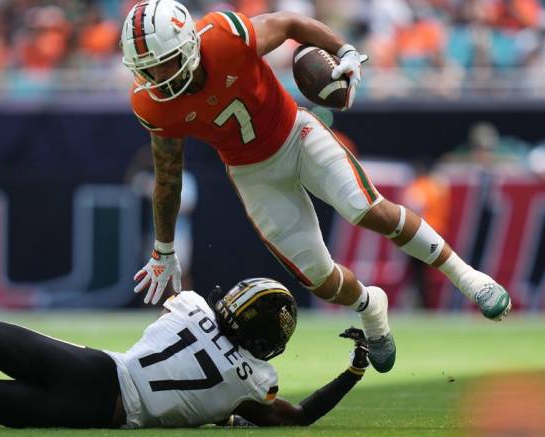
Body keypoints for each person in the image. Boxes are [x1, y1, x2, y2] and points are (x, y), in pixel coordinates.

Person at [122, 0, 511, 374]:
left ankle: (470, 279)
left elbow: (290, 23)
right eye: (148, 69)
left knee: (367, 208)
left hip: (296, 134)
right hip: (252, 172)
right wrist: (164, 249)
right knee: (319, 279)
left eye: (164, 62)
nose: (158, 76)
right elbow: (168, 174)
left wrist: (344, 49)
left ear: (189, 42)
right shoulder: (152, 103)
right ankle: (371, 305)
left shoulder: (225, 36)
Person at [0, 265, 368, 428]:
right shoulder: (251, 385)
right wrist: (353, 371)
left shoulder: (191, 306)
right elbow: (296, 418)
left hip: (91, 366)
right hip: (94, 411)